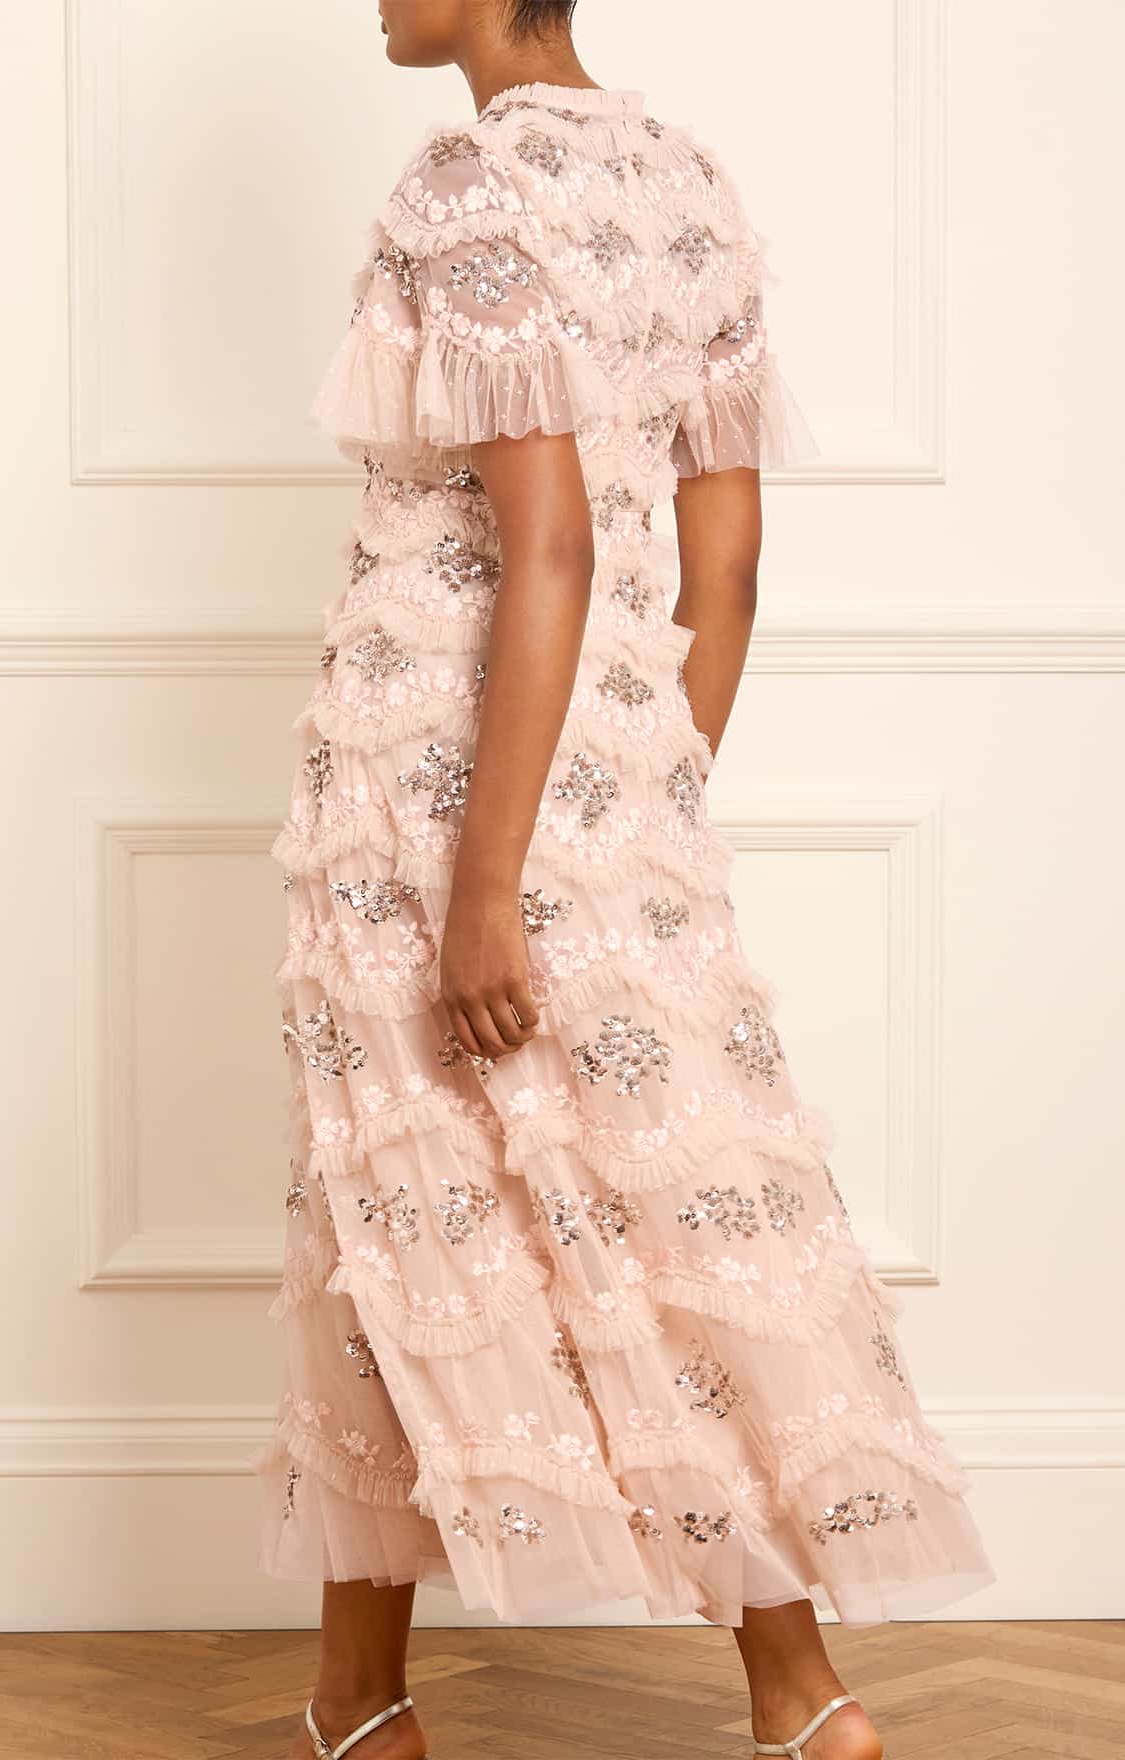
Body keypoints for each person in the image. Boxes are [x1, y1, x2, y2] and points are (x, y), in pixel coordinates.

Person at [254, 3, 995, 1756]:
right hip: (602, 790)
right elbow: (722, 572)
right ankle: (794, 1693)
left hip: (433, 799)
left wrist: (490, 882)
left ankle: (366, 1702)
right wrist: (634, 798)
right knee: (668, 1215)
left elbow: (553, 542)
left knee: (403, 1214)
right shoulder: (690, 187)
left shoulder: (463, 185)